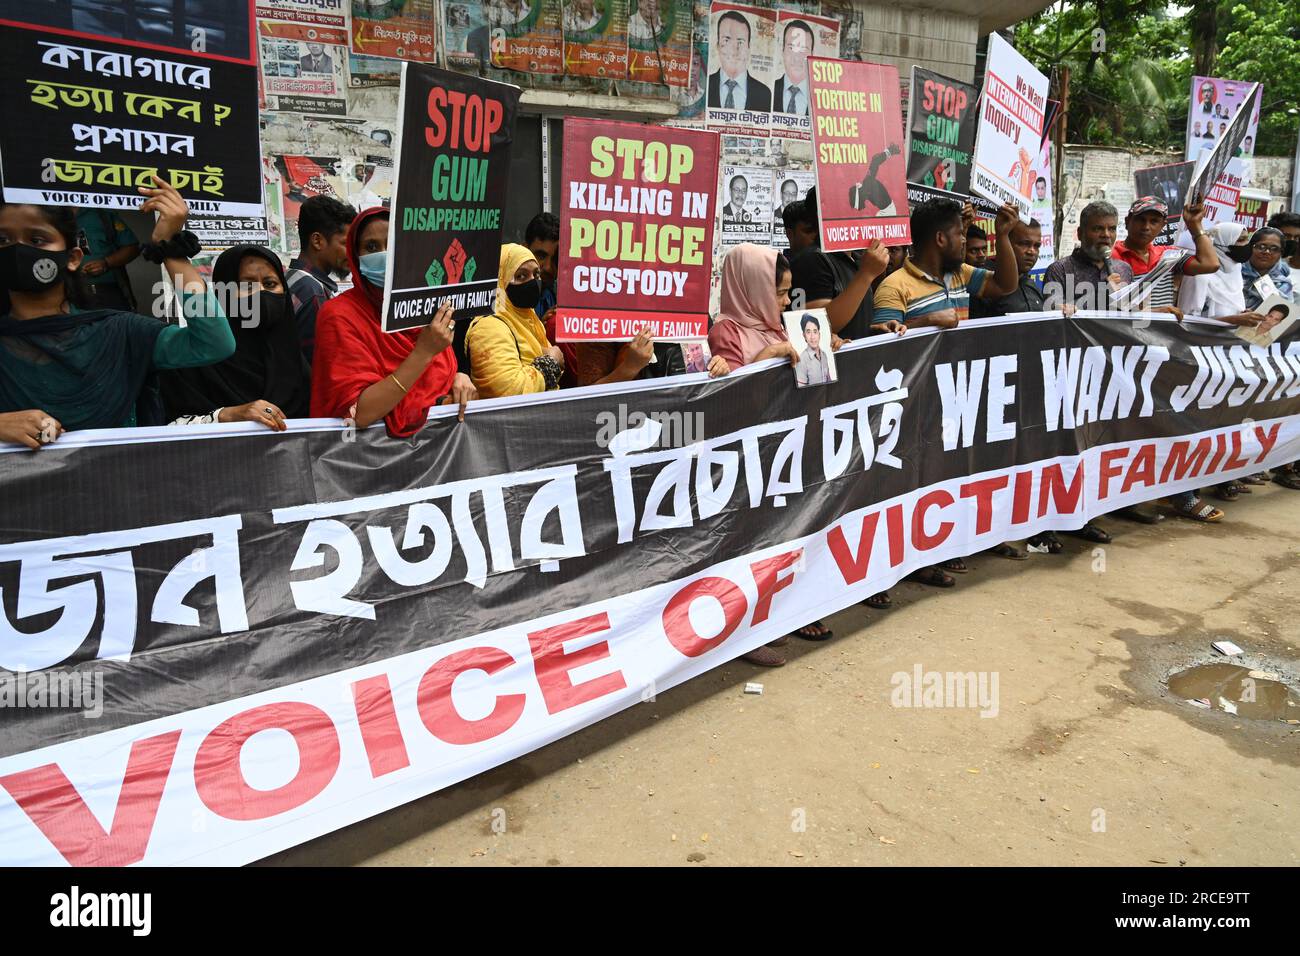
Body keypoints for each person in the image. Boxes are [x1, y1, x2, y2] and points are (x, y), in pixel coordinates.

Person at [0, 179, 236, 447]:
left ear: (73, 258)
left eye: (37, 239)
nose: (17, 250)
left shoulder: (121, 332)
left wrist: (171, 249)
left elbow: (213, 343)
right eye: (2, 239)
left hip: (118, 483)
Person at [706, 243, 842, 658]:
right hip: (746, 460)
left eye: (787, 292)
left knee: (786, 536)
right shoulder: (726, 331)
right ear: (750, 286)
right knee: (748, 543)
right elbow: (731, 397)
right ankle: (745, 632)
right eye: (779, 292)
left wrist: (831, 346)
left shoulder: (782, 325)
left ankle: (787, 611)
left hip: (785, 452)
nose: (786, 300)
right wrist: (770, 355)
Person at [311, 206, 474, 436]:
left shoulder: (422, 309)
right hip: (367, 460)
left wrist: (459, 378)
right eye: (371, 247)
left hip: (437, 454)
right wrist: (423, 353)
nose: (384, 254)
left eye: (393, 243)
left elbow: (437, 377)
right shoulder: (338, 315)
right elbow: (360, 412)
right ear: (356, 257)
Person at [162, 245, 310, 429]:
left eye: (270, 284)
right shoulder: (192, 360)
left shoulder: (296, 363)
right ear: (223, 294)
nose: (261, 293)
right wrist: (227, 415)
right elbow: (166, 429)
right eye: (247, 285)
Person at [873, 198, 1020, 331]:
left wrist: (1002, 234)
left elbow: (1004, 286)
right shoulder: (893, 287)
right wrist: (928, 320)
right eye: (959, 234)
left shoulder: (960, 272)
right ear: (940, 239)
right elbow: (882, 349)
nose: (964, 240)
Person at [785, 189, 893, 339]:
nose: (861, 212)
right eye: (852, 206)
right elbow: (818, 325)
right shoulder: (812, 259)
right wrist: (866, 275)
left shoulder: (856, 258)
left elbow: (849, 318)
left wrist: (872, 330)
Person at [465, 244, 564, 398]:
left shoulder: (528, 318)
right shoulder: (490, 327)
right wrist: (550, 362)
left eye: (536, 275)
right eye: (521, 276)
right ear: (501, 280)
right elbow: (508, 390)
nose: (533, 282)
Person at [1111, 196, 1219, 313]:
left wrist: (1195, 225)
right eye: (1141, 220)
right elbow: (1106, 306)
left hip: (1162, 331)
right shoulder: (1110, 257)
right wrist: (1158, 312)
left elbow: (1210, 264)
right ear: (1127, 221)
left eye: (1154, 221)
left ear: (1163, 225)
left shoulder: (1169, 255)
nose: (1146, 227)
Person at [287, 194, 355, 366]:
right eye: (345, 244)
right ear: (317, 241)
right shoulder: (313, 293)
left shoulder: (291, 277)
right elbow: (320, 367)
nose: (352, 252)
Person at [1043, 200, 1133, 313]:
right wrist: (1101, 294)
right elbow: (1054, 312)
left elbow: (1130, 313)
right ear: (1080, 233)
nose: (1106, 234)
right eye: (1097, 229)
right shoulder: (1060, 270)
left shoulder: (1124, 269)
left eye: (1112, 229)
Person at [1266, 211, 1300, 491]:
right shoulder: (1268, 271)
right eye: (1287, 237)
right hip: (1273, 354)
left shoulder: (1284, 274)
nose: (1293, 242)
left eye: (1297, 238)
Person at [969, 218, 1045, 318]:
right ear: (1005, 243)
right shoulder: (983, 282)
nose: (1031, 251)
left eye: (1037, 246)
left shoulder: (1032, 286)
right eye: (1024, 244)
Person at [706, 10, 772, 112]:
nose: (734, 50)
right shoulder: (705, 86)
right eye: (726, 40)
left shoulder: (764, 94)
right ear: (717, 45)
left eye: (740, 42)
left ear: (749, 48)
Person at [74, 208, 139, 311]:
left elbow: (132, 247)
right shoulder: (49, 214)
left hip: (107, 291)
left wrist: (106, 263)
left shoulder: (102, 213)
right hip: (65, 293)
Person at [1241, 226, 1294, 310]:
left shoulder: (1283, 285)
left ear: (1280, 253)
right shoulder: (1234, 274)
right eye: (1261, 247)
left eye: (1274, 249)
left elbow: (1284, 317)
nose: (1267, 252)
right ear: (1250, 247)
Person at [773, 19, 814, 116]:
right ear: (782, 50)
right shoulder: (769, 90)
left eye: (803, 49)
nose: (797, 57)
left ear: (812, 55)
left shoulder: (820, 98)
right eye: (791, 48)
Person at [793, 312, 831, 385]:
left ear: (819, 334)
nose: (812, 337)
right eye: (808, 332)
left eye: (815, 331)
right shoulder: (801, 360)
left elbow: (829, 381)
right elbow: (801, 391)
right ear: (804, 335)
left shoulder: (824, 355)